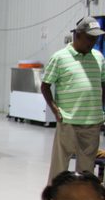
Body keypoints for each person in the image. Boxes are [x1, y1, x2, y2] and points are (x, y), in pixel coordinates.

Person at [41, 16, 105, 182]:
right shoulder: (60, 58)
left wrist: (100, 106)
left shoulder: (98, 57)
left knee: (87, 166)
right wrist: (56, 111)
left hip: (92, 120)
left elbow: (103, 83)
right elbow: (45, 86)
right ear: (78, 35)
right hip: (68, 119)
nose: (93, 42)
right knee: (60, 163)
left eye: (96, 39)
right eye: (90, 38)